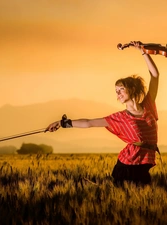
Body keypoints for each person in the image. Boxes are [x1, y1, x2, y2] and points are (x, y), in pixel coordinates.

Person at [46, 41, 160, 186]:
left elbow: (155, 76)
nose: (117, 94)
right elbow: (89, 123)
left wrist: (143, 51)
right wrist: (62, 123)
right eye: (116, 92)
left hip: (145, 163)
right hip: (128, 165)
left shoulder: (148, 106)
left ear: (131, 89)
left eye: (120, 89)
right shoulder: (120, 117)